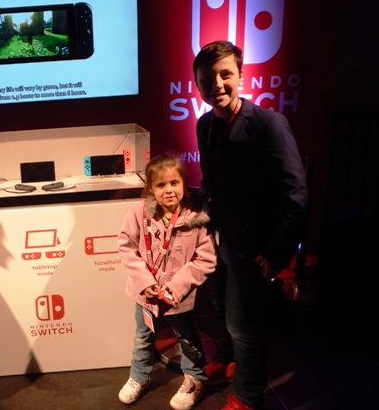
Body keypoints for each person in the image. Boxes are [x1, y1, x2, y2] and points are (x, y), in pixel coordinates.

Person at [193, 41, 309, 410]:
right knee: (221, 307)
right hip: (220, 240)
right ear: (197, 84)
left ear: (241, 76)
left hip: (254, 248)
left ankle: (248, 393)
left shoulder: (269, 124)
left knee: (243, 324)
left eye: (225, 74)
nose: (217, 84)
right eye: (207, 78)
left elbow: (296, 195)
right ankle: (227, 358)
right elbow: (211, 182)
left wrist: (276, 253)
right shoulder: (204, 124)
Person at [117, 155, 216, 410]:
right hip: (145, 293)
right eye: (161, 185)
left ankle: (195, 380)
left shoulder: (196, 218)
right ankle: (139, 376)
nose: (169, 190)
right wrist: (144, 282)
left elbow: (206, 259)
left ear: (184, 183)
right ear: (150, 188)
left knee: (187, 338)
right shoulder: (138, 213)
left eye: (174, 183)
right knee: (142, 336)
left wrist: (176, 287)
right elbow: (126, 247)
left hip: (178, 297)